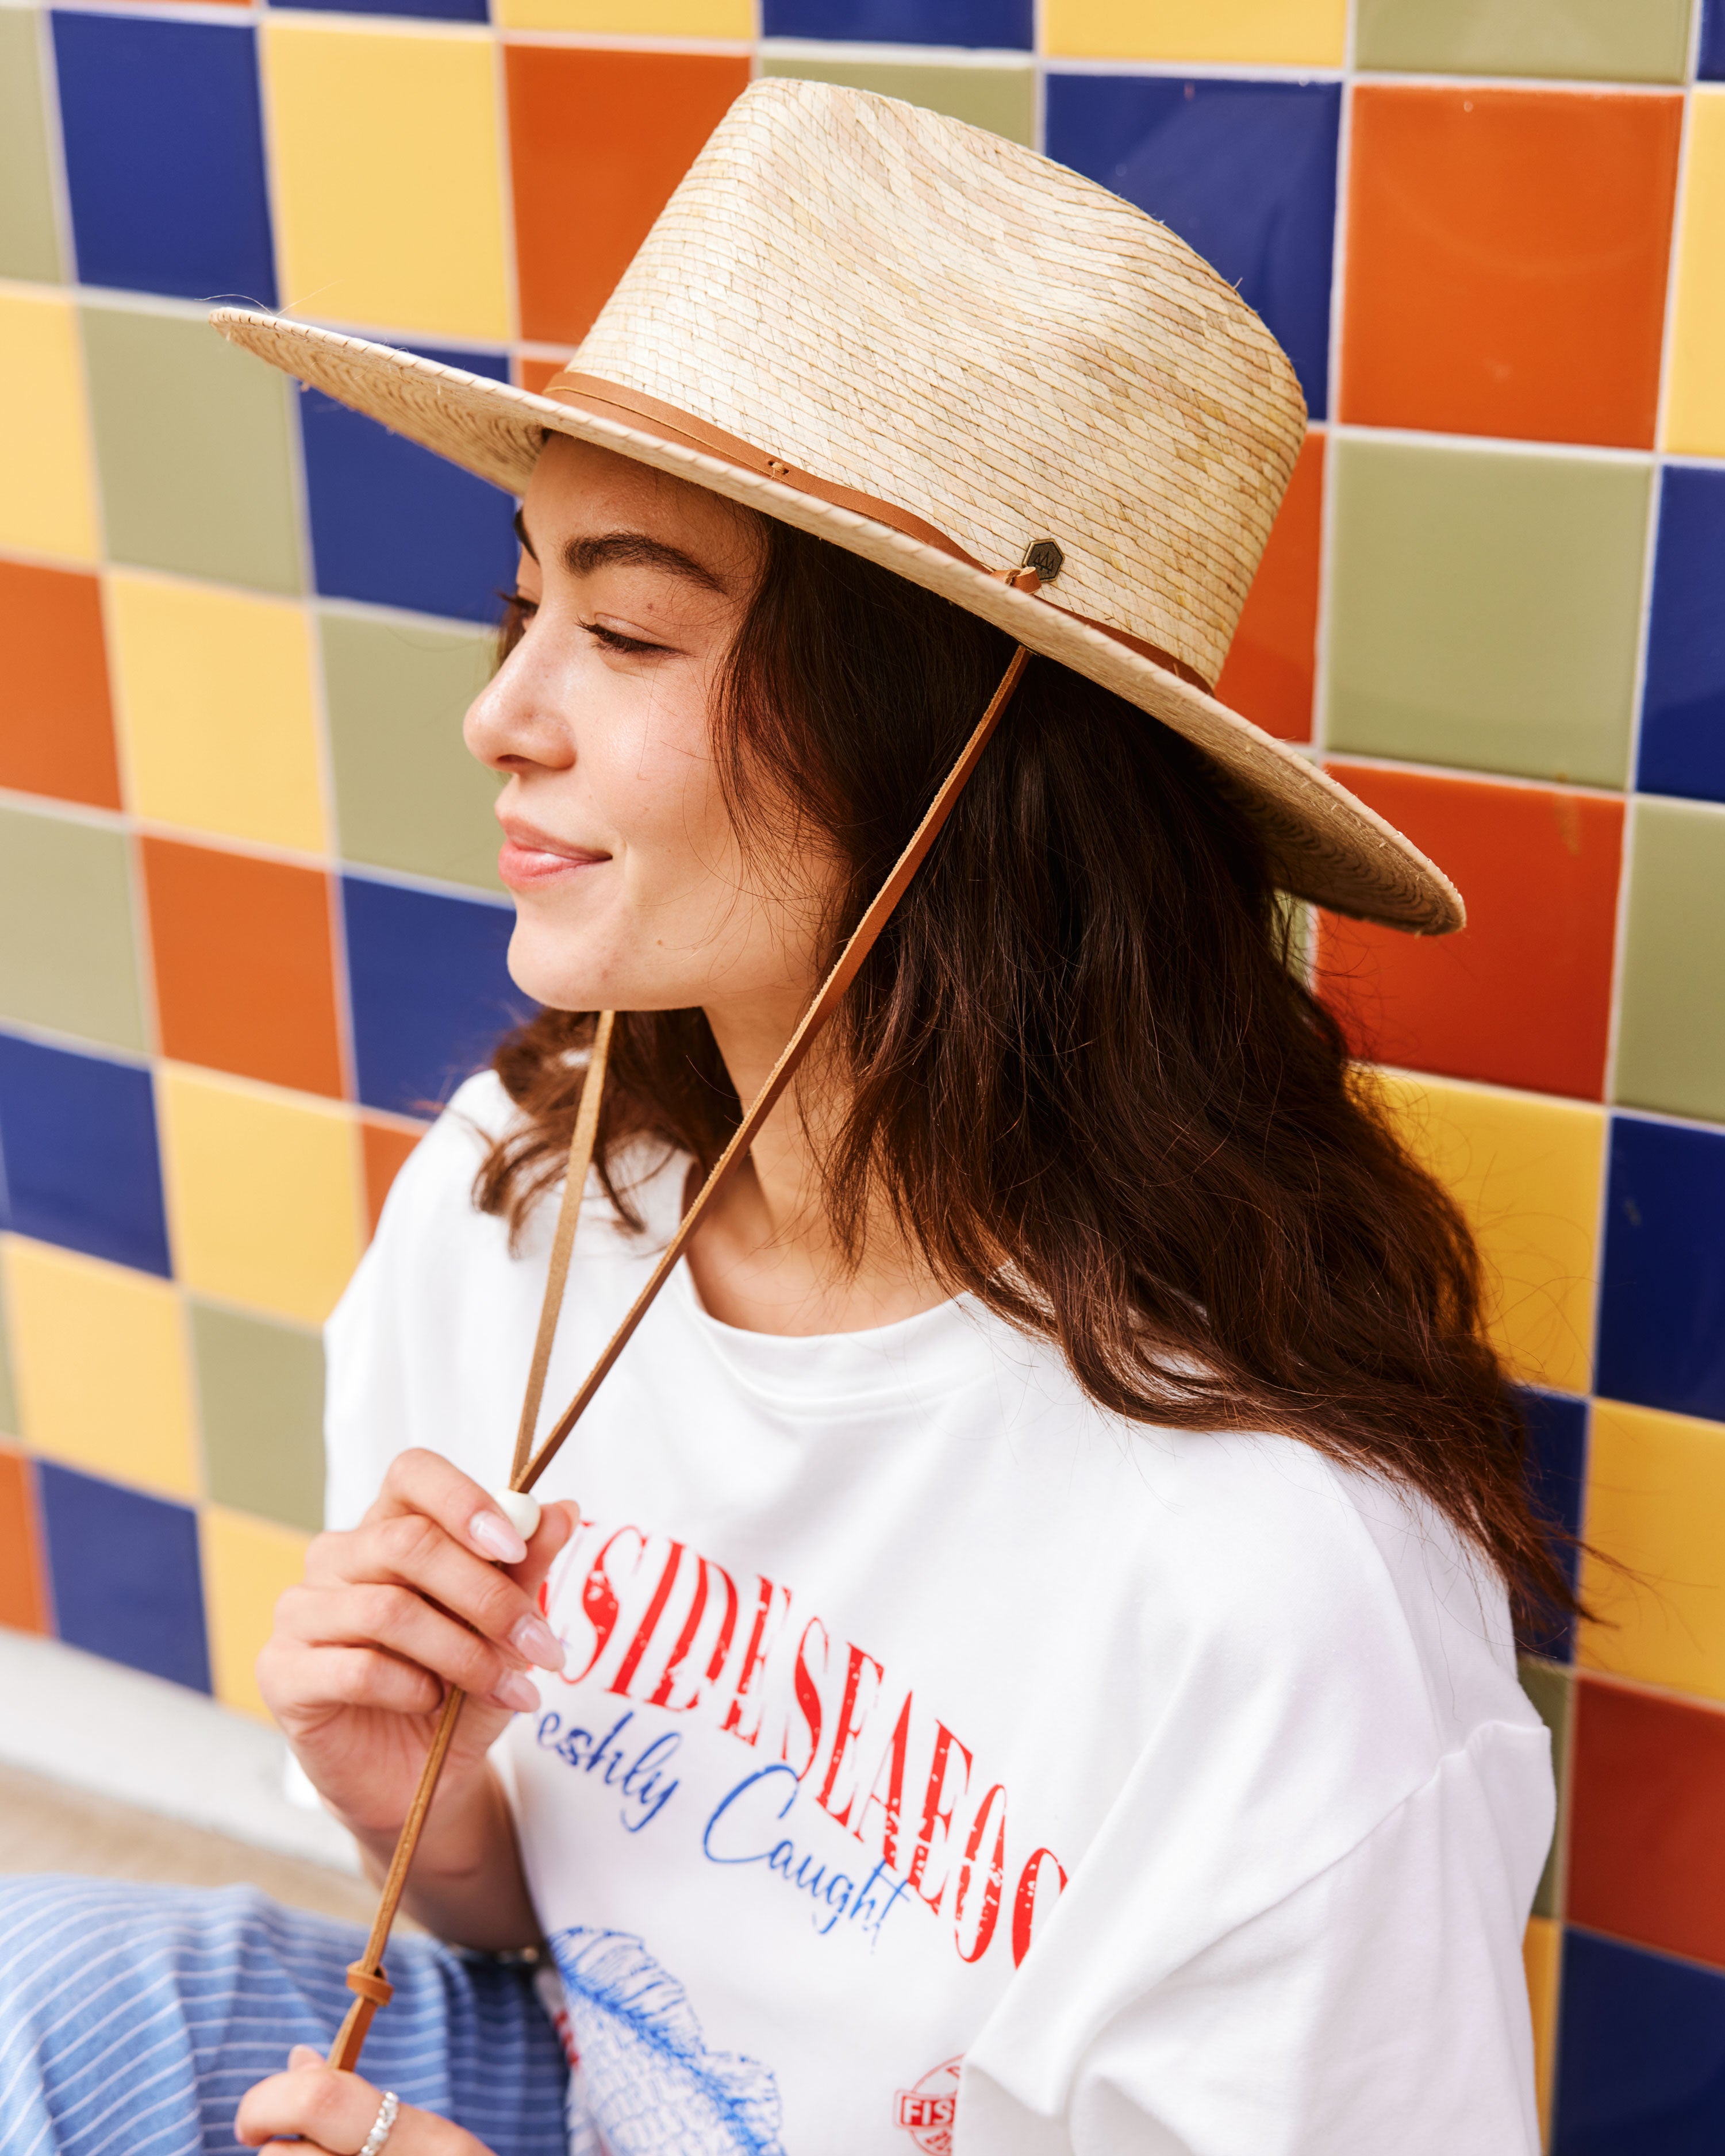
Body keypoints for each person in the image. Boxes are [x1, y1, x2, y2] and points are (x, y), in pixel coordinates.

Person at [1, 79, 1562, 2156]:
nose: (501, 713)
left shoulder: (1277, 1592)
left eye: (629, 626)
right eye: (524, 603)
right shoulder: (513, 1201)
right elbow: (548, 1944)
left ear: (951, 763)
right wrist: (425, 1804)